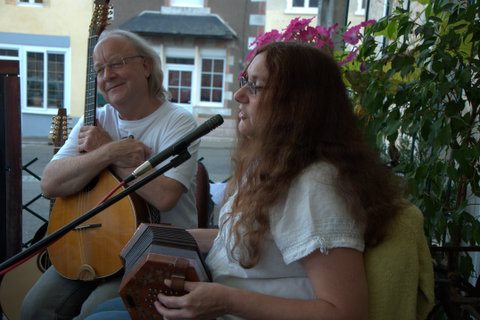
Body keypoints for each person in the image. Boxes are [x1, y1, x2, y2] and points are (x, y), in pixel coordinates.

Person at [86, 41, 407, 320]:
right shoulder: (276, 165)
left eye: (254, 86)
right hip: (219, 306)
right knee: (100, 312)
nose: (239, 94)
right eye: (244, 81)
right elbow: (246, 240)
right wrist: (165, 237)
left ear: (296, 103)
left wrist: (224, 299)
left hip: (228, 312)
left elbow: (347, 313)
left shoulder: (315, 185)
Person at [21, 29, 200, 320]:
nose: (107, 75)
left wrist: (103, 149)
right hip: (89, 243)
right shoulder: (96, 120)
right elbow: (49, 183)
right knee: (33, 308)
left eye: (116, 63)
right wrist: (110, 152)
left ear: (145, 66)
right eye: (100, 69)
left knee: (95, 311)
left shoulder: (178, 121)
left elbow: (165, 195)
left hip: (152, 250)